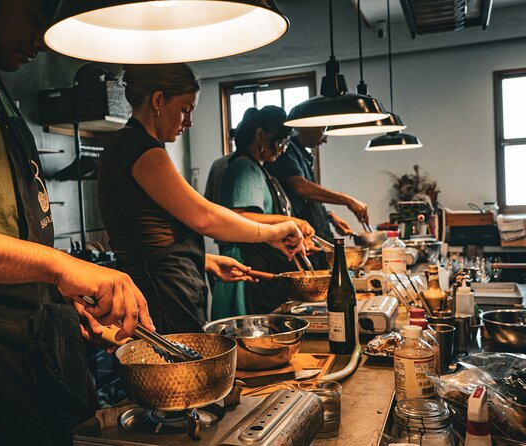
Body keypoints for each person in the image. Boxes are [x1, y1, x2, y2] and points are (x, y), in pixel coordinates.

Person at [0, 1, 153, 445]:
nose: (42, 41)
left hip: (15, 337)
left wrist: (59, 292)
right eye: (37, 18)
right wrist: (58, 266)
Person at [97, 65, 306, 335]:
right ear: (158, 101)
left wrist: (205, 260)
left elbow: (146, 232)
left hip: (160, 286)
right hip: (164, 293)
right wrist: (273, 232)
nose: (189, 122)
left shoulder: (126, 144)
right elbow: (204, 218)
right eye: (185, 109)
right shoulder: (141, 147)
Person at [213, 106, 317, 317]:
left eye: (286, 142)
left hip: (258, 263)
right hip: (244, 264)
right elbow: (238, 217)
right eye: (280, 141)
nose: (282, 148)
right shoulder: (244, 166)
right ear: (260, 134)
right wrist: (290, 222)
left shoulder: (260, 169)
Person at [266, 122, 370, 244]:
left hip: (317, 237)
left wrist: (329, 216)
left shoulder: (300, 153)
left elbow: (304, 202)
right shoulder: (287, 151)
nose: (325, 139)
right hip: (302, 240)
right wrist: (348, 200)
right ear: (309, 124)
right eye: (324, 129)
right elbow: (301, 188)